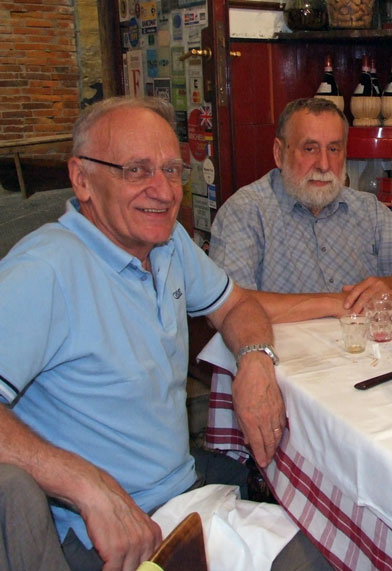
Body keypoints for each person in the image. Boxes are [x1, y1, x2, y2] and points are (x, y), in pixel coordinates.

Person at [0, 97, 327, 570]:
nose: (162, 190)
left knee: (334, 552)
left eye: (172, 170)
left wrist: (256, 357)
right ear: (81, 178)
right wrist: (86, 485)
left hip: (183, 495)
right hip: (102, 536)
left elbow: (237, 305)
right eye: (136, 170)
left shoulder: (166, 241)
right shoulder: (45, 270)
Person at [210, 97, 392, 321]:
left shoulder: (366, 210)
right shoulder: (245, 212)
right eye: (310, 149)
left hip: (360, 353)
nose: (324, 165)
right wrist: (338, 303)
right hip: (282, 355)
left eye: (334, 149)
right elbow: (225, 306)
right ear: (279, 153)